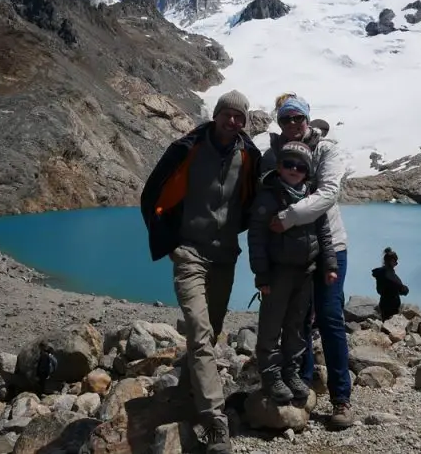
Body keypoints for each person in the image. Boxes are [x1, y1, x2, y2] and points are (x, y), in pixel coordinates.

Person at [139, 90, 261, 454]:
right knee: (199, 329)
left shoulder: (248, 155)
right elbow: (153, 192)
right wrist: (169, 239)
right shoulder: (188, 147)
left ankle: (186, 394)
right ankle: (214, 420)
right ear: (217, 114)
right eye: (228, 114)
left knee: (213, 331)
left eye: (240, 117)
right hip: (190, 253)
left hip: (225, 256)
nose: (233, 122)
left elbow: (252, 201)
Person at [262, 93, 353, 430]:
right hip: (291, 254)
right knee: (296, 320)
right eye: (285, 119)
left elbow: (329, 193)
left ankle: (341, 398)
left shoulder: (327, 150)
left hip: (331, 247)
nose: (291, 125)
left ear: (307, 119)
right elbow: (261, 198)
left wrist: (287, 218)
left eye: (297, 118)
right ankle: (302, 383)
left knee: (329, 317)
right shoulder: (271, 156)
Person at [249, 141, 338, 404]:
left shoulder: (310, 199)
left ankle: (291, 372)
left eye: (300, 166)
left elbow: (324, 233)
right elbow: (257, 238)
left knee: (297, 326)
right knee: (270, 325)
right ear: (279, 166)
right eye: (288, 164)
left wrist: (329, 265)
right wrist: (261, 275)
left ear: (307, 172)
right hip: (277, 274)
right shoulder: (268, 196)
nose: (294, 169)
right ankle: (271, 375)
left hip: (306, 272)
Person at [371, 248, 409, 320]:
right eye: (395, 261)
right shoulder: (389, 274)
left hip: (383, 303)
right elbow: (400, 287)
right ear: (391, 261)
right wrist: (405, 289)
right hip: (392, 306)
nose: (397, 263)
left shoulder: (380, 273)